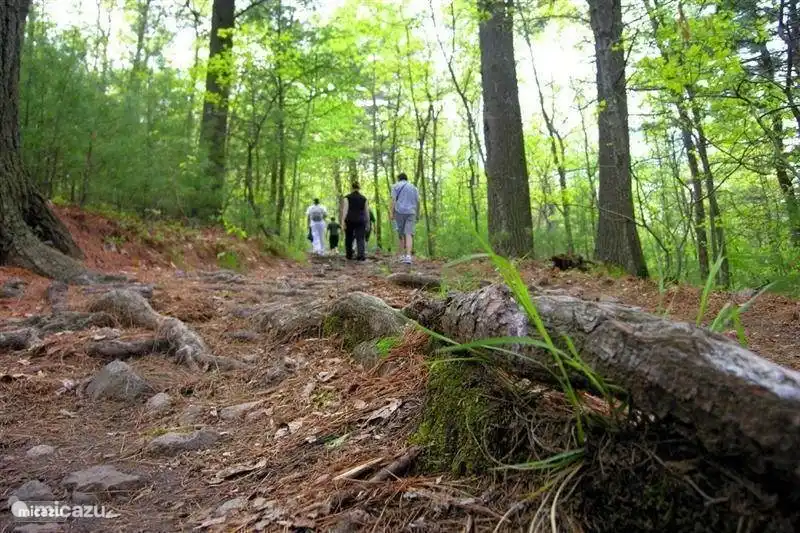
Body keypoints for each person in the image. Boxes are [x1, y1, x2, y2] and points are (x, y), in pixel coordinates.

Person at [390, 172, 419, 264]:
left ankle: (402, 255)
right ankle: (408, 256)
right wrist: (417, 213)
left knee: (401, 234)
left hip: (399, 212)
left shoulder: (395, 186)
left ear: (399, 179)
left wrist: (391, 213)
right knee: (409, 233)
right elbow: (418, 201)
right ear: (406, 178)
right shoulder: (414, 187)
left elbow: (393, 200)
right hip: (411, 212)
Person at [341, 182, 369, 261]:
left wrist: (342, 221)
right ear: (359, 188)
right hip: (360, 220)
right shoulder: (364, 198)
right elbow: (366, 212)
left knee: (349, 237)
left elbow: (345, 210)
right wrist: (368, 223)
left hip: (349, 220)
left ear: (352, 188)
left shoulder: (347, 198)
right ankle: (361, 255)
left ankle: (349, 255)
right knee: (360, 238)